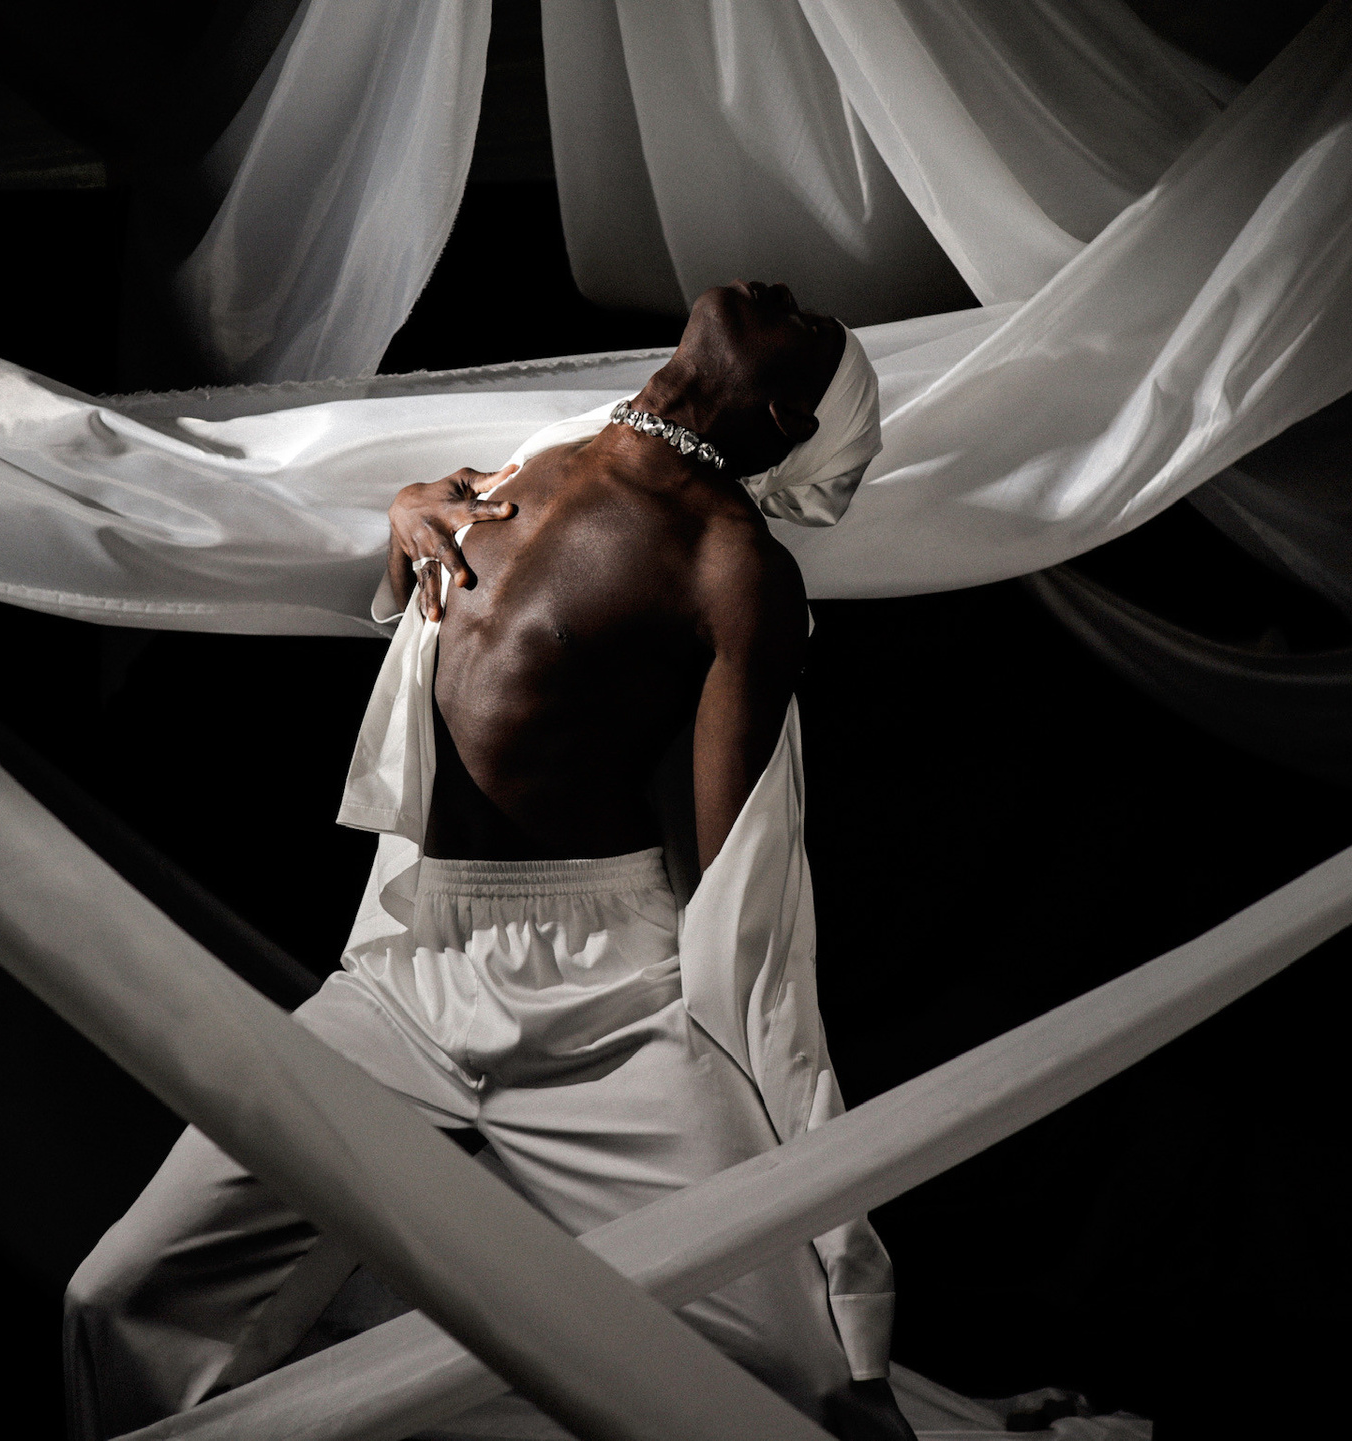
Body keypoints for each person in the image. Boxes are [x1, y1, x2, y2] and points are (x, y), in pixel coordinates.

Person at [64, 281, 911, 1440]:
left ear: (781, 422)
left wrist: (834, 1248)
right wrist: (399, 508)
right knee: (124, 1303)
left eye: (807, 331)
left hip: (607, 1003)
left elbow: (739, 883)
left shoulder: (735, 569)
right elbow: (418, 571)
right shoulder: (545, 449)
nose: (785, 295)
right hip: (409, 973)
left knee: (793, 1387)